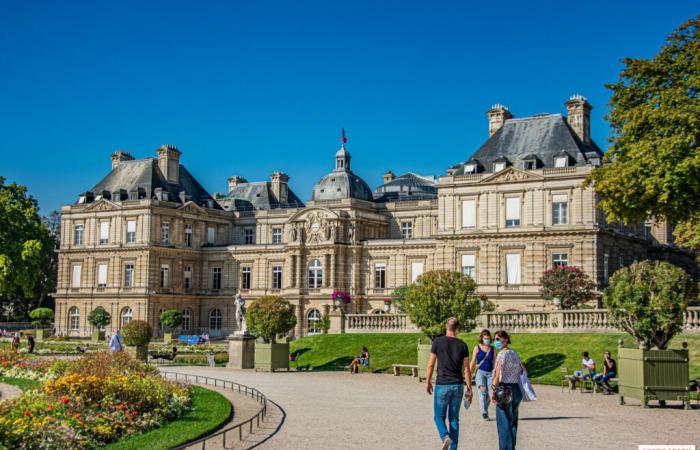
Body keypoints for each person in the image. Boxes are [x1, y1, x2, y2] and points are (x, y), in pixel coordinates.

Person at [426, 318, 473, 450]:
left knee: (438, 416)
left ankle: (445, 436)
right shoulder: (463, 345)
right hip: (458, 385)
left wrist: (428, 381)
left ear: (446, 326)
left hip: (442, 384)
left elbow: (430, 365)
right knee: (454, 419)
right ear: (457, 328)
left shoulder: (438, 342)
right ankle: (453, 448)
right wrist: (469, 388)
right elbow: (466, 369)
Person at [491, 330, 525, 450]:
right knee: (512, 422)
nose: (495, 342)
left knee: (503, 424)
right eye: (494, 339)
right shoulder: (514, 353)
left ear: (505, 340)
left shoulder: (502, 354)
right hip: (516, 389)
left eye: (497, 339)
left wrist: (493, 390)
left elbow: (497, 374)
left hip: (504, 389)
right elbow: (523, 370)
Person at [469, 329, 495, 420]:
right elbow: (473, 361)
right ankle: (484, 413)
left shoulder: (492, 349)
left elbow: (494, 362)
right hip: (480, 372)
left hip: (490, 373)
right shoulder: (477, 348)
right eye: (485, 338)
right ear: (482, 338)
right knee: (482, 392)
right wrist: (469, 372)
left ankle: (485, 409)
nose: (487, 340)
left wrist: (496, 373)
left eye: (488, 338)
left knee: (490, 394)